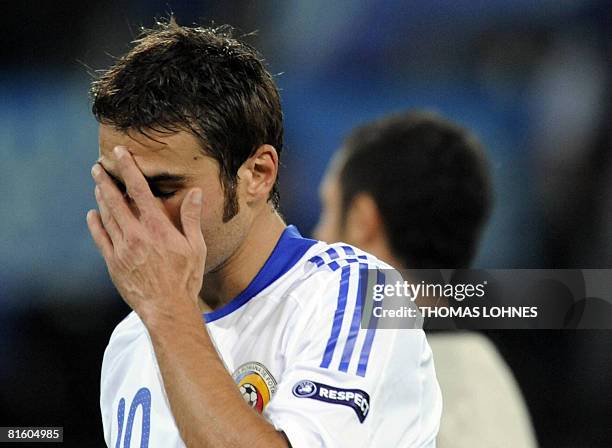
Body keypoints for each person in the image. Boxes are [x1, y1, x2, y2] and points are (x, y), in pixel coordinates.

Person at [87, 20, 441, 448]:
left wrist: (166, 309)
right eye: (119, 187)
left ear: (257, 174)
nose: (137, 216)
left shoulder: (360, 296)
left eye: (164, 189)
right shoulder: (130, 342)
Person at [314, 111, 537, 448]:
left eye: (328, 211)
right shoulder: (488, 374)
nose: (318, 237)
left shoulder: (386, 389)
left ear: (363, 221)